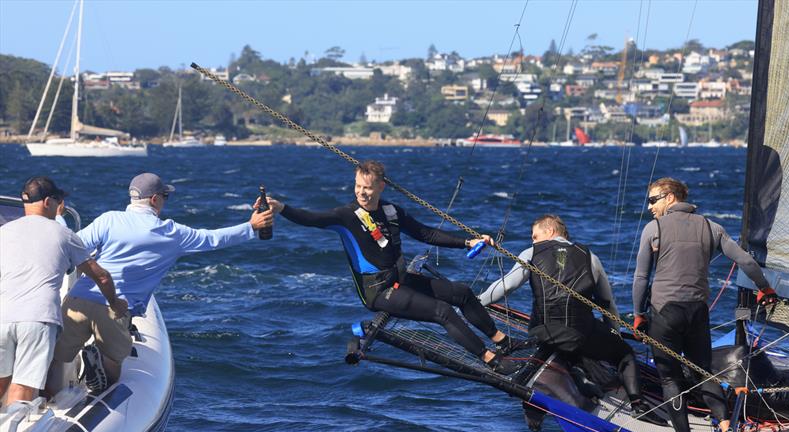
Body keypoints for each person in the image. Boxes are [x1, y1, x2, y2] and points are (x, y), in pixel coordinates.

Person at [268, 160, 522, 374]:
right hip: (378, 292)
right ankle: (491, 360)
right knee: (443, 311)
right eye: (358, 186)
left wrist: (467, 242)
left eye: (367, 188)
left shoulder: (391, 211)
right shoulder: (344, 215)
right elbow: (311, 219)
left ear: (381, 186)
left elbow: (426, 234)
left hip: (402, 280)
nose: (361, 193)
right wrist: (282, 208)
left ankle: (502, 341)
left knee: (462, 292)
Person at [52, 172, 273, 392]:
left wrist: (59, 219)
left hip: (78, 299)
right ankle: (101, 368)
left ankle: (45, 398)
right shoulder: (171, 232)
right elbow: (213, 239)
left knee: (57, 360)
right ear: (155, 199)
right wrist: (250, 226)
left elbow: (73, 244)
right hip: (114, 307)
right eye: (165, 196)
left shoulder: (109, 219)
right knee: (113, 363)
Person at [632, 177, 777, 432]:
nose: (649, 207)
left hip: (664, 313)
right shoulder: (712, 227)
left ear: (670, 198)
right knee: (703, 372)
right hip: (697, 312)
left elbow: (640, 278)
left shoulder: (654, 229)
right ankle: (726, 430)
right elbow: (746, 261)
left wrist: (638, 315)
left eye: (653, 200)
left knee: (670, 379)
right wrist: (765, 288)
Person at [478, 214, 652, 417]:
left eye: (534, 236)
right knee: (625, 354)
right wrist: (614, 335)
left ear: (550, 231)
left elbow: (506, 286)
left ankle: (565, 383)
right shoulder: (589, 256)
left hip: (544, 333)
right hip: (580, 333)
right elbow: (607, 304)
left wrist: (476, 301)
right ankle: (638, 405)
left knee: (560, 345)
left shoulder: (532, 252)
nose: (532, 240)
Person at [1, 177, 127, 405]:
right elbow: (101, 275)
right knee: (22, 386)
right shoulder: (64, 235)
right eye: (59, 201)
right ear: (49, 201)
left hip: (2, 317)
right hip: (37, 319)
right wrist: (115, 304)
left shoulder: (4, 232)